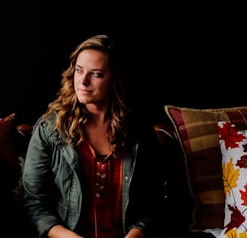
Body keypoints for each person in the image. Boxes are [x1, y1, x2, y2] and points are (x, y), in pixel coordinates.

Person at [22, 34, 167, 238]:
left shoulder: (138, 131)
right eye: (79, 71)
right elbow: (34, 205)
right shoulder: (50, 129)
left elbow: (154, 203)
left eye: (96, 74)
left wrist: (134, 235)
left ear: (115, 79)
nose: (83, 81)